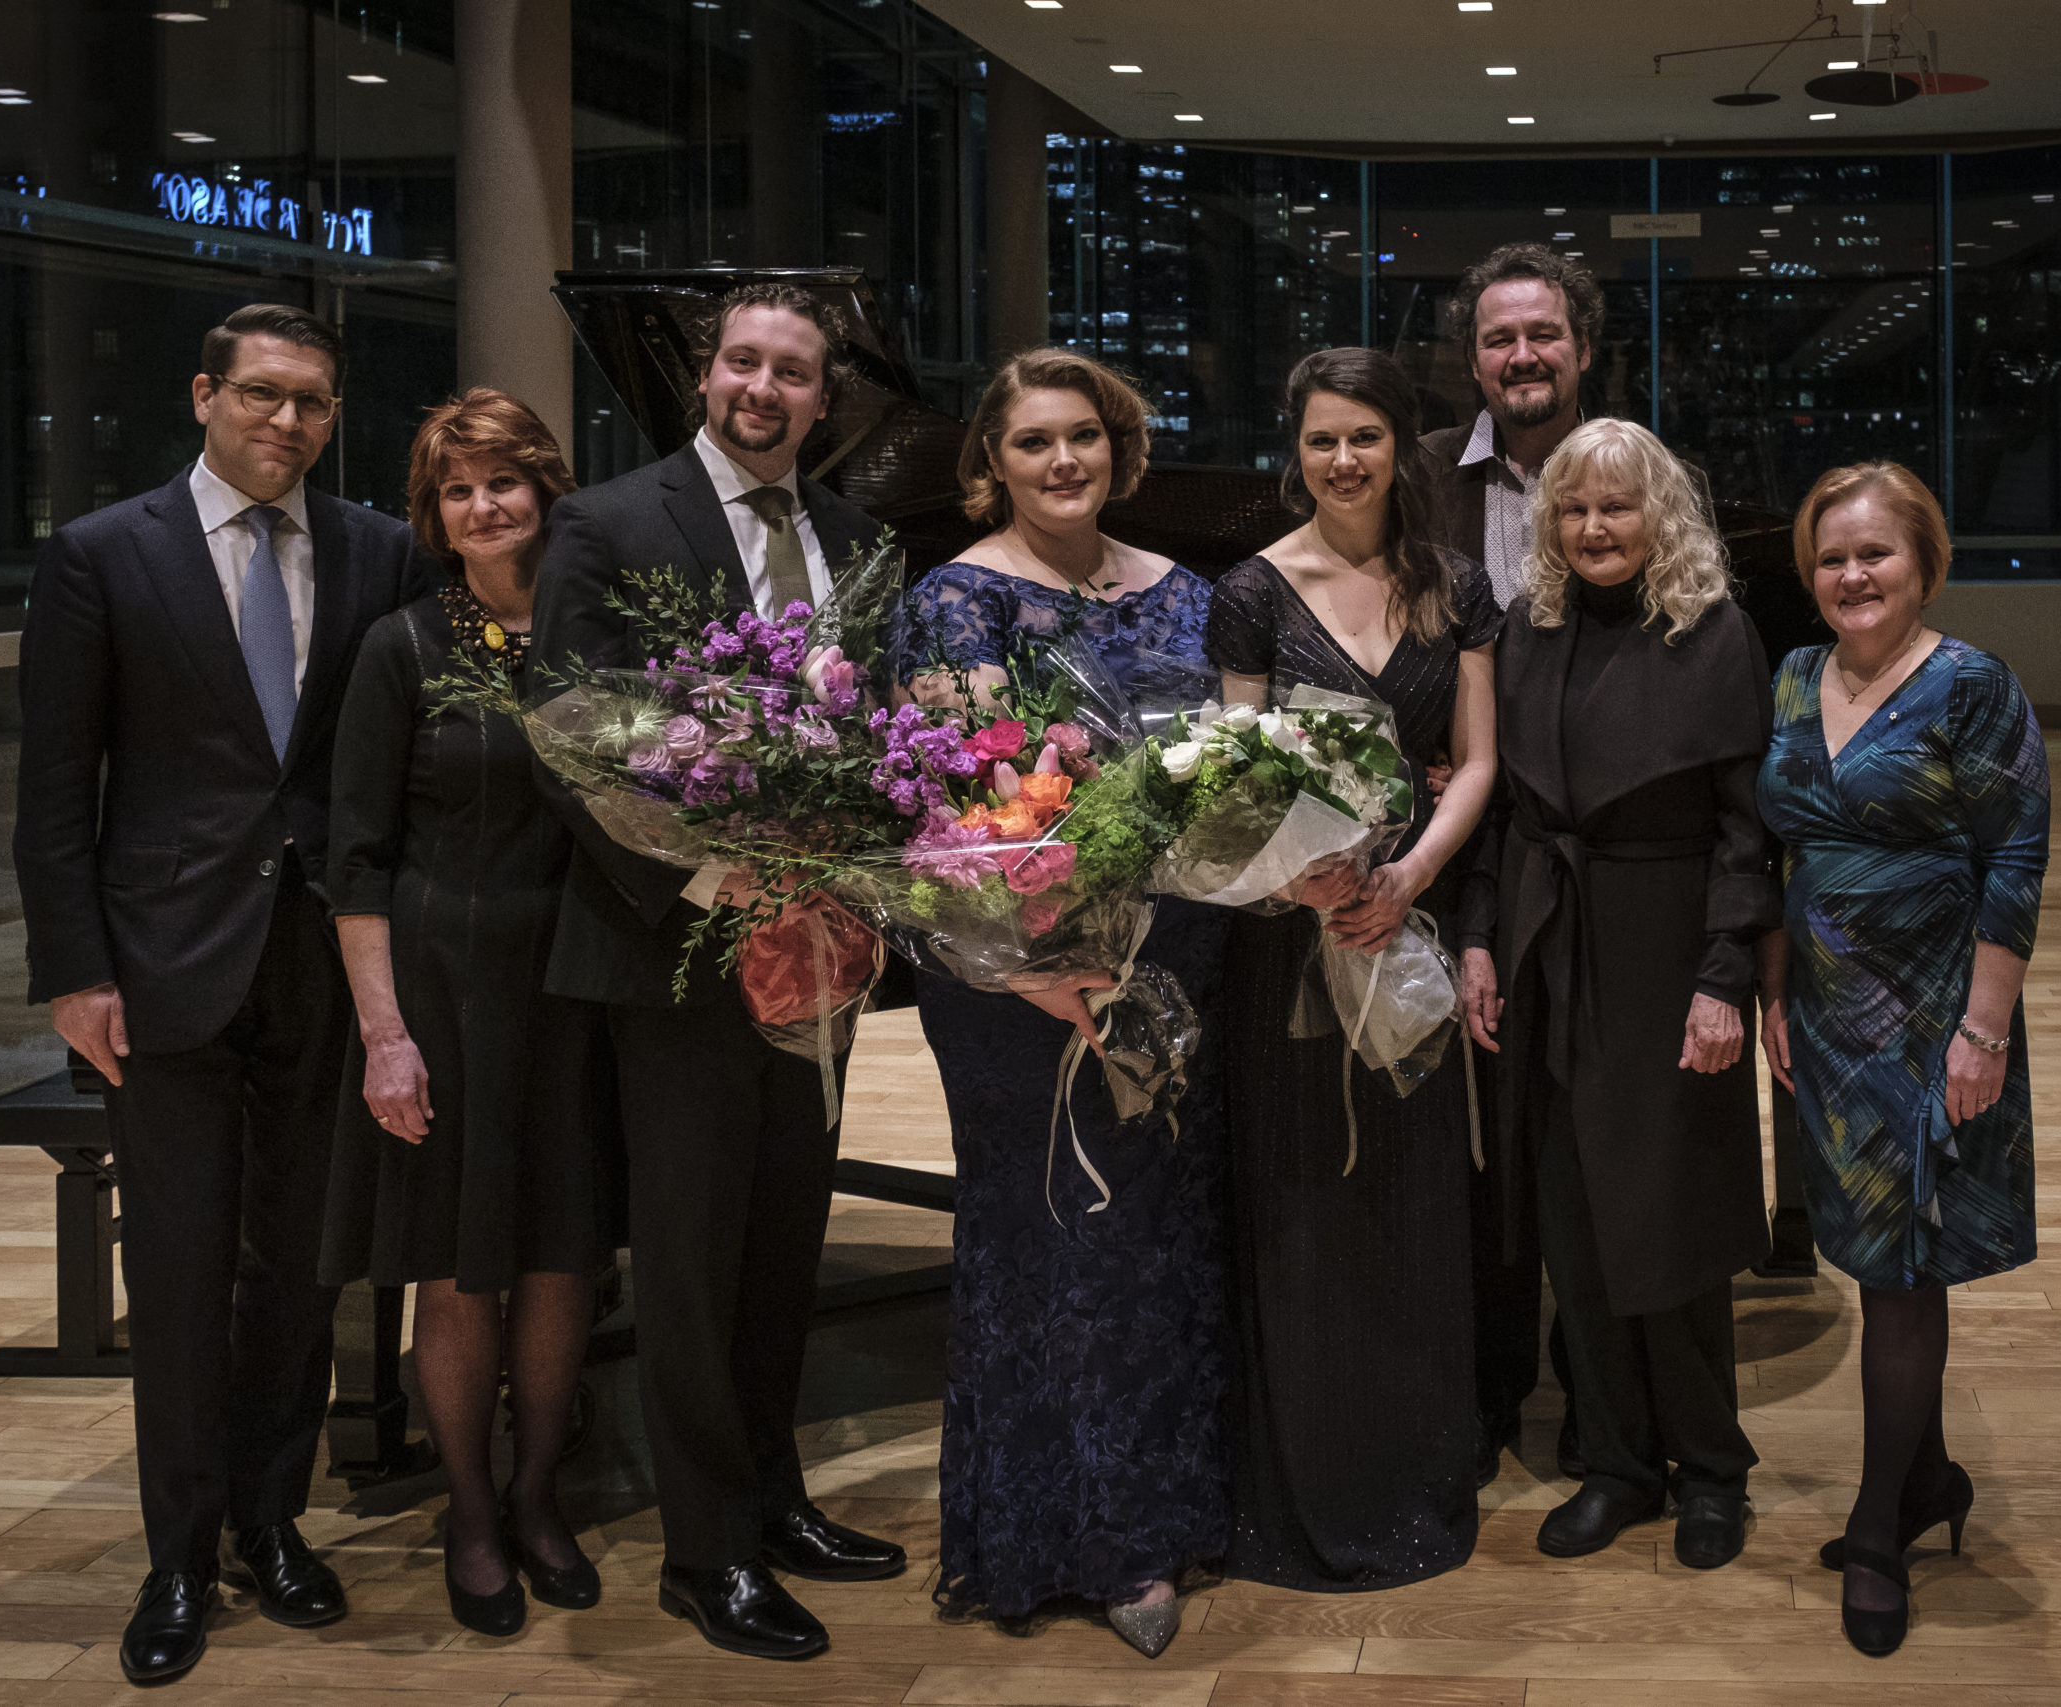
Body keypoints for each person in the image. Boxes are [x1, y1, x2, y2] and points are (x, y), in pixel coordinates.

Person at [13, 303, 431, 1683]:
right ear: (205, 395)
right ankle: (177, 1555)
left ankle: (272, 1516)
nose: (287, 423)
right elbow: (54, 786)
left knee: (301, 1266)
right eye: (261, 395)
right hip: (160, 966)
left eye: (312, 402)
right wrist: (71, 967)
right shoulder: (100, 553)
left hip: (323, 960)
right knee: (183, 1270)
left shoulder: (378, 548)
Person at [528, 282, 903, 1663]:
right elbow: (574, 738)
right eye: (743, 361)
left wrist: (842, 878)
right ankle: (705, 1549)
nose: (764, 388)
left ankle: (774, 1496)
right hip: (675, 946)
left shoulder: (862, 541)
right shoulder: (611, 520)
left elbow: (877, 740)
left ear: (825, 394)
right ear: (707, 373)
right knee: (687, 1258)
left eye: (791, 371)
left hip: (816, 945)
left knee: (782, 1243)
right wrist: (711, 881)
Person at [893, 348, 1227, 1660]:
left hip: (1171, 960)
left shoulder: (1188, 595)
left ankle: (1160, 1516)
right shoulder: (952, 602)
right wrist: (1046, 971)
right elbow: (947, 812)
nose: (1063, 461)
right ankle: (1056, 1536)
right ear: (992, 461)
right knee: (1048, 1240)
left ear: (1121, 446)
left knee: (1155, 1239)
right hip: (1012, 977)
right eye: (1033, 442)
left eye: (1084, 435)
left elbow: (1219, 777)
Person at [1206, 347, 1501, 1590]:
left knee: (1410, 1202)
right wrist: (1308, 880)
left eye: (1365, 438)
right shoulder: (1253, 590)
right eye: (1322, 439)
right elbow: (1233, 773)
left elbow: (1477, 759)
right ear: (1298, 448)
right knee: (1303, 1204)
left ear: (1401, 448)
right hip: (1289, 940)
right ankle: (1306, 1475)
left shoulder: (1455, 585)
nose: (1343, 461)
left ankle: (1413, 1459)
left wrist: (1406, 881)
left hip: (1404, 929)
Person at [1457, 417, 1773, 1572]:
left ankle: (1712, 1471)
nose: (1595, 528)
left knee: (1670, 1222)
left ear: (1661, 516)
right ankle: (1621, 1465)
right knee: (1571, 1221)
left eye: (1618, 507)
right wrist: (1481, 941)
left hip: (1664, 945)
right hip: (1548, 943)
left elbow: (1749, 831)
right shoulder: (1525, 628)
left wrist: (1723, 978)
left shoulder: (1717, 631)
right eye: (1575, 509)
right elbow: (1500, 812)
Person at [320, 389, 610, 1637]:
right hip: (441, 990)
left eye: (502, 480)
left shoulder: (602, 637)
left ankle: (542, 1493)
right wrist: (385, 1035)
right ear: (434, 517)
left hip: (582, 987)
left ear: (545, 487)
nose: (483, 506)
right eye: (456, 490)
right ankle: (473, 1511)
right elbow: (358, 858)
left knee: (560, 1256)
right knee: (455, 1269)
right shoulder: (401, 647)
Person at [1757, 463, 2047, 1657]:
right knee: (1869, 1240)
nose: (1851, 576)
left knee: (1901, 1262)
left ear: (1923, 560)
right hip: (1822, 1013)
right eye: (1831, 558)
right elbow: (1780, 848)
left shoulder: (1971, 685)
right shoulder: (1790, 675)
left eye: (1874, 554)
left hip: (1932, 1013)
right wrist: (1772, 985)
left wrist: (1983, 1031)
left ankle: (1879, 1526)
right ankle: (1925, 1478)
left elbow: (2014, 862)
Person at [1419, 243, 1604, 1485]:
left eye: (1542, 335)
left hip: (1581, 846)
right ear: (1470, 357)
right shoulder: (1417, 476)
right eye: (1498, 339)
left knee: (1582, 1127)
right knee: (1464, 1133)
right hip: (1444, 843)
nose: (1521, 357)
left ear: (1581, 348)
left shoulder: (1634, 474)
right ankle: (1482, 1390)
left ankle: (1600, 1390)